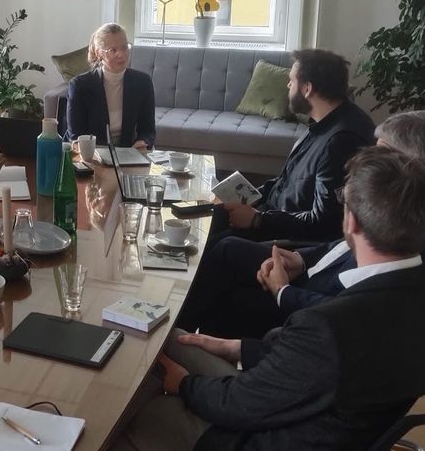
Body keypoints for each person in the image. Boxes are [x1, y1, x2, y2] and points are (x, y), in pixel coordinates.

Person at [53, 147, 425, 451]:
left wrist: (185, 386)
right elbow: (312, 372)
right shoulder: (407, 295)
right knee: (160, 338)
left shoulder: (333, 325)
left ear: (350, 220)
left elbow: (239, 404)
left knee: (147, 412)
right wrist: (235, 348)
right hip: (308, 421)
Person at [177, 110, 425, 337]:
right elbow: (339, 246)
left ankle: (179, 347)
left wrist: (283, 291)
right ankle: (177, 332)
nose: (371, 158)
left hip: (303, 300)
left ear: (410, 168)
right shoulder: (391, 212)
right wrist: (300, 258)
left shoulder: (406, 237)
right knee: (226, 248)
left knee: (229, 297)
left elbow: (346, 312)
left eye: (381, 152)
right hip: (308, 269)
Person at [208, 48, 374, 246]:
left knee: (216, 246)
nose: (288, 85)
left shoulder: (342, 142)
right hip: (273, 215)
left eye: (292, 80)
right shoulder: (321, 123)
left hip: (287, 236)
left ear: (307, 89)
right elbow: (287, 182)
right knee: (207, 215)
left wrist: (257, 219)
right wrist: (249, 196)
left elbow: (325, 223)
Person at [66, 23, 155, 149]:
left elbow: (148, 131)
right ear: (99, 53)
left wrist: (143, 142)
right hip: (91, 155)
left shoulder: (143, 82)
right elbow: (75, 135)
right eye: (113, 50)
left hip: (128, 153)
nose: (121, 54)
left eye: (125, 47)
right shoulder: (80, 85)